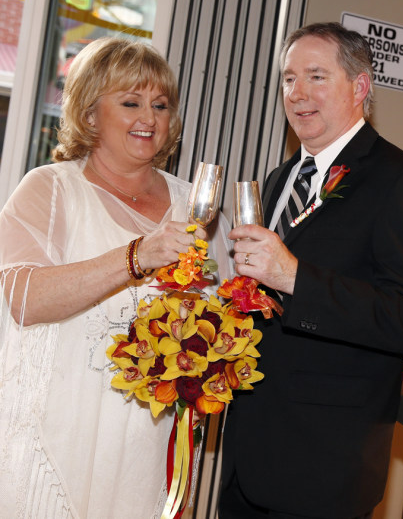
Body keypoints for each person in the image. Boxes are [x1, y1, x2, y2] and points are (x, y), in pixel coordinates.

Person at [0, 37, 232, 518]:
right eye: (130, 102)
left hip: (146, 454)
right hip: (52, 445)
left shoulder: (199, 209)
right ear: (89, 114)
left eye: (160, 105)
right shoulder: (50, 189)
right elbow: (24, 299)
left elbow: (223, 323)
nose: (149, 117)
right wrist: (135, 257)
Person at [219, 22, 403, 518]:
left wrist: (295, 277)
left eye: (316, 76)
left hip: (323, 466)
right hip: (246, 454)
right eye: (288, 79)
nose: (298, 93)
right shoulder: (279, 179)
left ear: (359, 87)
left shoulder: (402, 181)